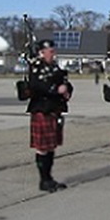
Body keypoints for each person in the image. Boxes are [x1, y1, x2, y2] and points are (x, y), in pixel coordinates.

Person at [27, 39, 73, 192]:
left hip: (55, 109)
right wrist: (55, 89)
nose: (54, 54)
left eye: (54, 51)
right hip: (42, 109)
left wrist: (67, 91)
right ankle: (44, 180)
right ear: (42, 52)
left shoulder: (55, 67)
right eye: (51, 51)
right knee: (42, 148)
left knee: (51, 146)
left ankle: (49, 178)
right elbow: (36, 85)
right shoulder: (36, 68)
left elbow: (65, 82)